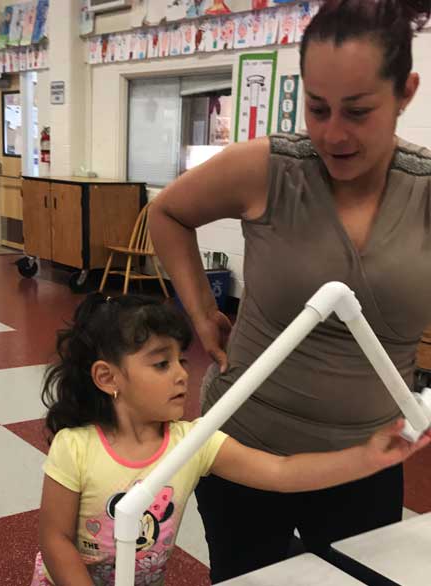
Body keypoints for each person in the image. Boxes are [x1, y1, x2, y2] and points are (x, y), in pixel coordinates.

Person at [148, 0, 431, 582]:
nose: (333, 133)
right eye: (317, 107)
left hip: (368, 457)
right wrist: (202, 312)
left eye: (357, 111)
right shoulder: (269, 169)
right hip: (246, 448)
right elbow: (168, 212)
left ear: (405, 91)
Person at [30, 293, 428, 586]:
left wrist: (367, 457)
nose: (182, 374)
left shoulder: (194, 441)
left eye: (182, 360)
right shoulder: (75, 446)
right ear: (107, 377)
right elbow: (55, 538)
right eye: (161, 363)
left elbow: (280, 471)